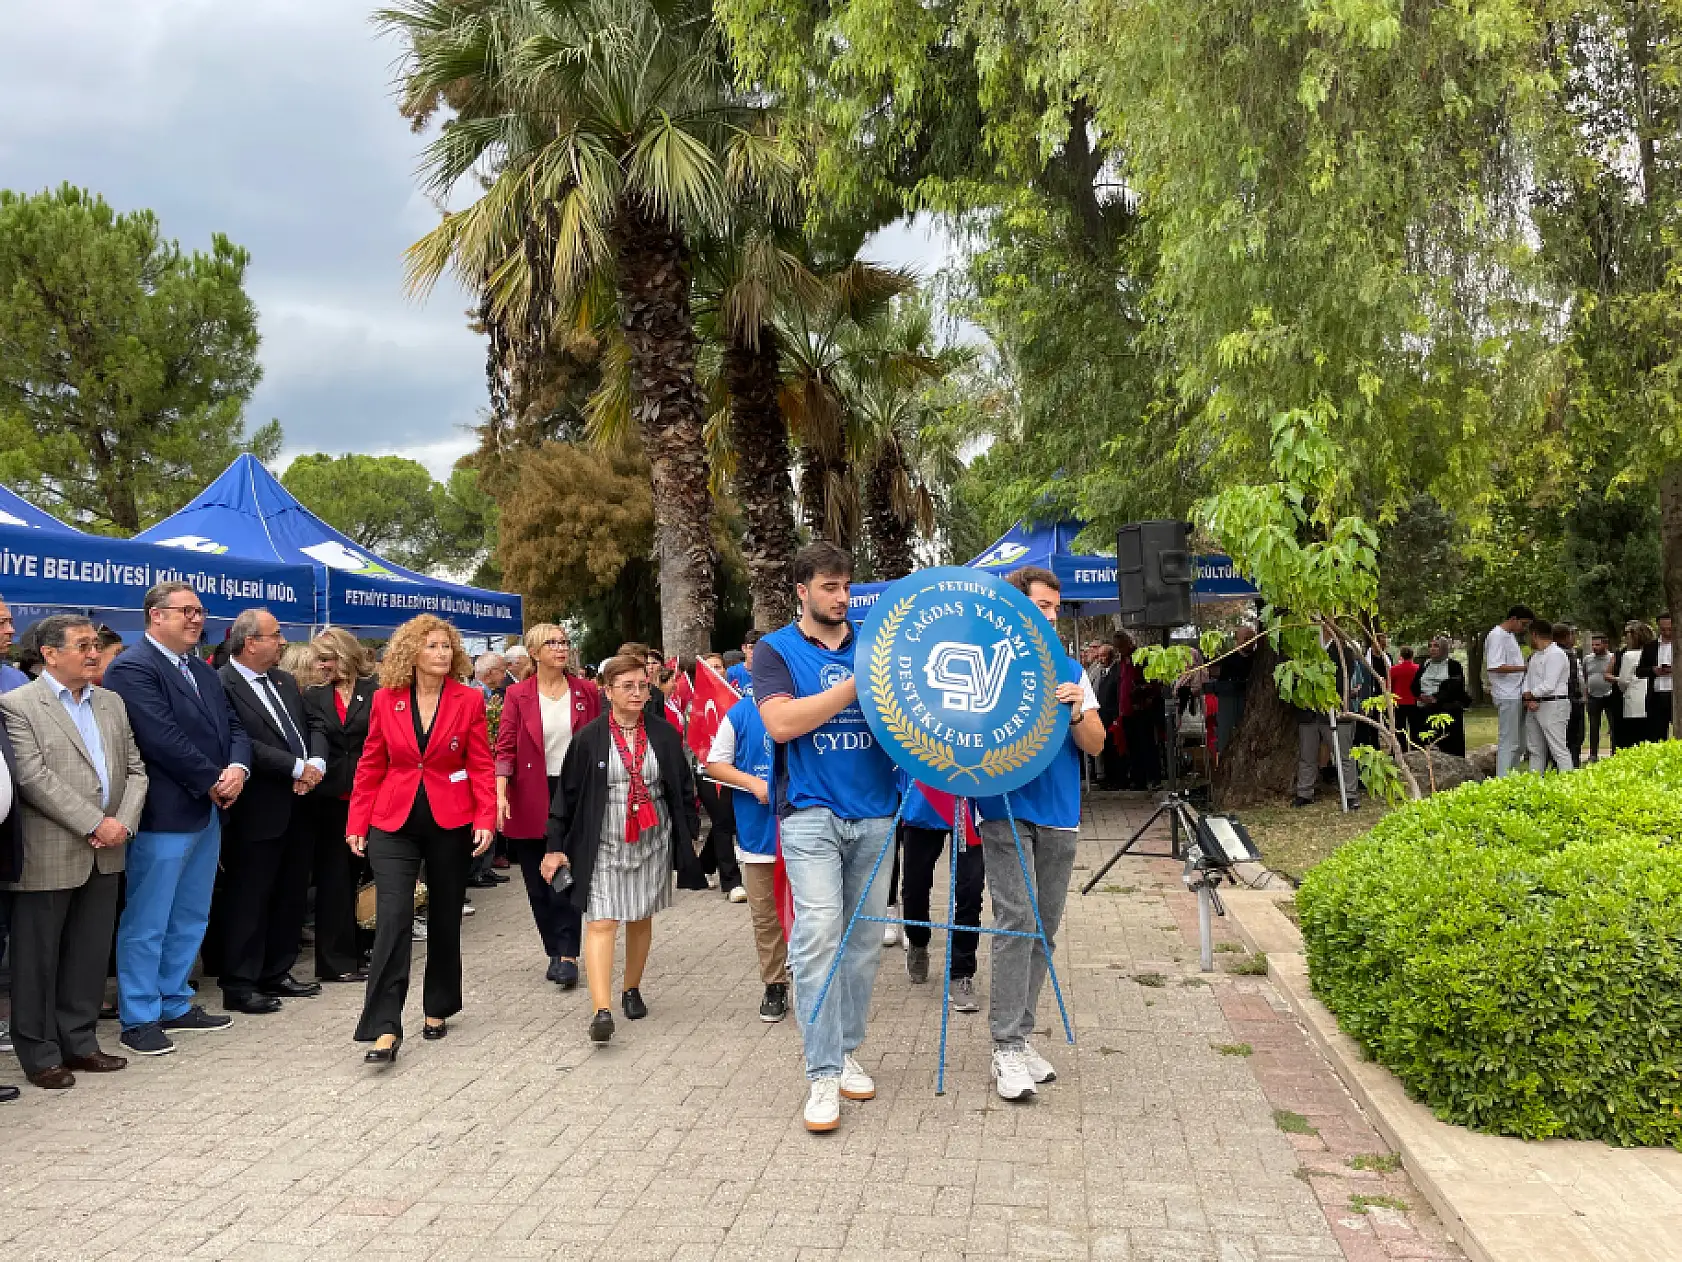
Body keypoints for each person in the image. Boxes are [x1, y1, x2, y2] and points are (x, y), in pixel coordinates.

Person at [752, 541, 900, 1133]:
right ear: (802, 591)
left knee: (863, 942)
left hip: (875, 812)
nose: (841, 597)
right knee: (817, 936)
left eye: (846, 587)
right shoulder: (775, 650)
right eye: (829, 587)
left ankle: (845, 1051)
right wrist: (858, 685)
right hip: (808, 813)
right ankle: (820, 1072)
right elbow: (782, 722)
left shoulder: (876, 642)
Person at [973, 567, 1106, 1099]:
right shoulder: (990, 662)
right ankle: (1004, 1046)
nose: (1051, 615)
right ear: (1017, 610)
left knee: (1042, 929)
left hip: (1060, 812)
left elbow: (1095, 744)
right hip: (1004, 807)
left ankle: (1021, 1035)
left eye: (1055, 607)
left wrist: (1077, 708)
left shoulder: (1071, 668)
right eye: (1041, 606)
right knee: (1016, 919)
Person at [103, 581, 251, 1056]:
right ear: (155, 615)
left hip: (207, 808)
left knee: (190, 913)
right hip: (164, 813)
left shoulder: (204, 670)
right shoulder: (132, 667)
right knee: (149, 917)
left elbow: (233, 726)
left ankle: (174, 1001)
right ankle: (140, 1015)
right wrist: (212, 778)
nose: (196, 619)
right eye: (186, 611)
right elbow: (159, 737)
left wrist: (238, 768)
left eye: (200, 611)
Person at [0, 616, 147, 1090]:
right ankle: (40, 1053)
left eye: (96, 645)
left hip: (108, 848)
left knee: (87, 953)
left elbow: (136, 769)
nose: (93, 653)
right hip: (51, 849)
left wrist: (121, 822)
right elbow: (32, 777)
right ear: (48, 653)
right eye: (82, 645)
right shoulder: (18, 705)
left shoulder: (111, 702)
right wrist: (94, 822)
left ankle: (80, 1041)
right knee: (38, 958)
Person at [346, 615, 496, 1064]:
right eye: (432, 646)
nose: (441, 653)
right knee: (393, 917)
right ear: (412, 652)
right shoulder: (385, 700)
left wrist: (486, 815)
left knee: (446, 916)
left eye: (447, 646)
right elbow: (371, 763)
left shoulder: (468, 700)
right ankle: (384, 1027)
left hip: (451, 819)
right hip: (393, 819)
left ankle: (439, 1006)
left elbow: (481, 764)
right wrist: (357, 822)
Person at [540, 655, 702, 1044]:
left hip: (651, 837)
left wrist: (689, 835)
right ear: (607, 691)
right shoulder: (588, 738)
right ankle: (602, 1009)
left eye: (642, 685)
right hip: (602, 839)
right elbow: (566, 798)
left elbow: (681, 788)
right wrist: (554, 846)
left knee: (640, 915)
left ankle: (631, 988)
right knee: (601, 921)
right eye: (626, 686)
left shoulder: (664, 734)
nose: (636, 692)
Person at [214, 609, 330, 1014]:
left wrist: (316, 763)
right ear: (250, 643)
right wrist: (296, 768)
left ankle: (277, 970)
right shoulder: (221, 683)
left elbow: (314, 723)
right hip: (257, 807)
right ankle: (240, 982)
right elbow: (239, 740)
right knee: (250, 896)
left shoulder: (282, 680)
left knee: (290, 891)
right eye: (276, 635)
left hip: (300, 802)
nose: (283, 642)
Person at [496, 622, 600, 988]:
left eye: (564, 642)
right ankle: (554, 949)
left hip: (573, 790)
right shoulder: (517, 695)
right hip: (528, 791)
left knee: (566, 874)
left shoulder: (586, 691)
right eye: (551, 643)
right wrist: (500, 793)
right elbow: (506, 746)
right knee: (537, 882)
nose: (561, 648)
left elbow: (597, 742)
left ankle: (569, 952)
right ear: (535, 652)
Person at [704, 693, 789, 1022]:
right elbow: (715, 763)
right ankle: (775, 983)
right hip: (760, 829)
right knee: (766, 913)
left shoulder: (811, 698)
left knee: (816, 910)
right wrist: (752, 781)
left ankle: (816, 979)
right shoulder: (742, 712)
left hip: (811, 824)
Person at [301, 628, 376, 984]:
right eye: (318, 659)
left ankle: (368, 948)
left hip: (372, 797)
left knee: (371, 878)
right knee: (335, 881)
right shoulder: (314, 696)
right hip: (330, 801)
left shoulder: (376, 691)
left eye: (326, 658)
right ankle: (336, 962)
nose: (321, 665)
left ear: (343, 656)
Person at [897, 777, 985, 1012]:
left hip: (970, 803)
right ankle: (917, 940)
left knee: (970, 890)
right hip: (924, 799)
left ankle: (961, 973)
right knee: (915, 887)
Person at [1293, 627, 1361, 808]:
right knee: (1307, 755)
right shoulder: (1304, 652)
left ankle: (1350, 794)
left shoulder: (1343, 652)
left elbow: (1342, 681)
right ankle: (1304, 793)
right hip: (1309, 713)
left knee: (1344, 755)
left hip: (1335, 712)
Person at [1485, 605, 1533, 775]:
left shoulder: (1509, 636)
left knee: (1520, 742)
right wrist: (1523, 668)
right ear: (1513, 619)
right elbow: (1495, 665)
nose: (1524, 628)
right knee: (1509, 740)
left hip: (1516, 692)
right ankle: (1503, 778)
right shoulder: (1497, 635)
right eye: (1523, 623)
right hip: (1507, 694)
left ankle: (1512, 774)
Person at [1521, 620, 1572, 774]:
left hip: (1553, 703)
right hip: (1535, 705)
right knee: (1535, 749)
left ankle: (1568, 781)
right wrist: (1528, 698)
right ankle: (1535, 781)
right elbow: (1527, 679)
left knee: (1558, 748)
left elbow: (1549, 684)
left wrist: (1532, 694)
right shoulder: (1536, 656)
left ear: (1535, 634)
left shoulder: (1556, 654)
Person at [1413, 637, 1467, 756]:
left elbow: (1455, 687)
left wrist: (1436, 698)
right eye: (1430, 646)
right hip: (1425, 710)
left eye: (1436, 646)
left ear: (1443, 648)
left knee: (1448, 746)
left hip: (1446, 710)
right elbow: (1415, 684)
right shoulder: (1425, 665)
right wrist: (1420, 696)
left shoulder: (1454, 666)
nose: (1432, 649)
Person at [1611, 621, 1653, 748]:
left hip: (1633, 700)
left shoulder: (1629, 655)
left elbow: (1623, 681)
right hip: (1649, 699)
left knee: (1631, 737)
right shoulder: (1651, 653)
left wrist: (1621, 686)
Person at [1637, 612, 1675, 742]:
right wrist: (1653, 670)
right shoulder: (1650, 647)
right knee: (1657, 733)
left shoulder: (1678, 645)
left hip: (1676, 694)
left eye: (1670, 629)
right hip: (1657, 695)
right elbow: (1639, 671)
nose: (1667, 632)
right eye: (1663, 629)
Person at [1554, 624, 1585, 766]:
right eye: (1572, 635)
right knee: (1572, 737)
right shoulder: (1563, 654)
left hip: (1573, 700)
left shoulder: (1570, 653)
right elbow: (1571, 682)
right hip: (1570, 701)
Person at [1583, 632, 1616, 760]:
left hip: (1609, 695)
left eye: (1598, 644)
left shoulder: (1612, 658)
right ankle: (1593, 754)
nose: (1595, 647)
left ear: (1606, 644)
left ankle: (1614, 752)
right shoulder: (1588, 659)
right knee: (1593, 726)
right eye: (1593, 645)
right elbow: (1586, 677)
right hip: (1593, 696)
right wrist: (1586, 694)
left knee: (1613, 725)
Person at [1388, 645, 1421, 746]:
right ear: (1412, 655)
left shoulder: (1393, 669)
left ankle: (1402, 750)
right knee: (1415, 728)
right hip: (1414, 701)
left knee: (1400, 729)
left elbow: (1388, 686)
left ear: (1401, 655)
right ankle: (1416, 749)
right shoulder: (1418, 669)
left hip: (1399, 702)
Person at [726, 631, 758, 697]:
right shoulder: (731, 673)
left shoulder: (770, 673)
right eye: (751, 648)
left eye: (759, 648)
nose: (755, 652)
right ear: (744, 648)